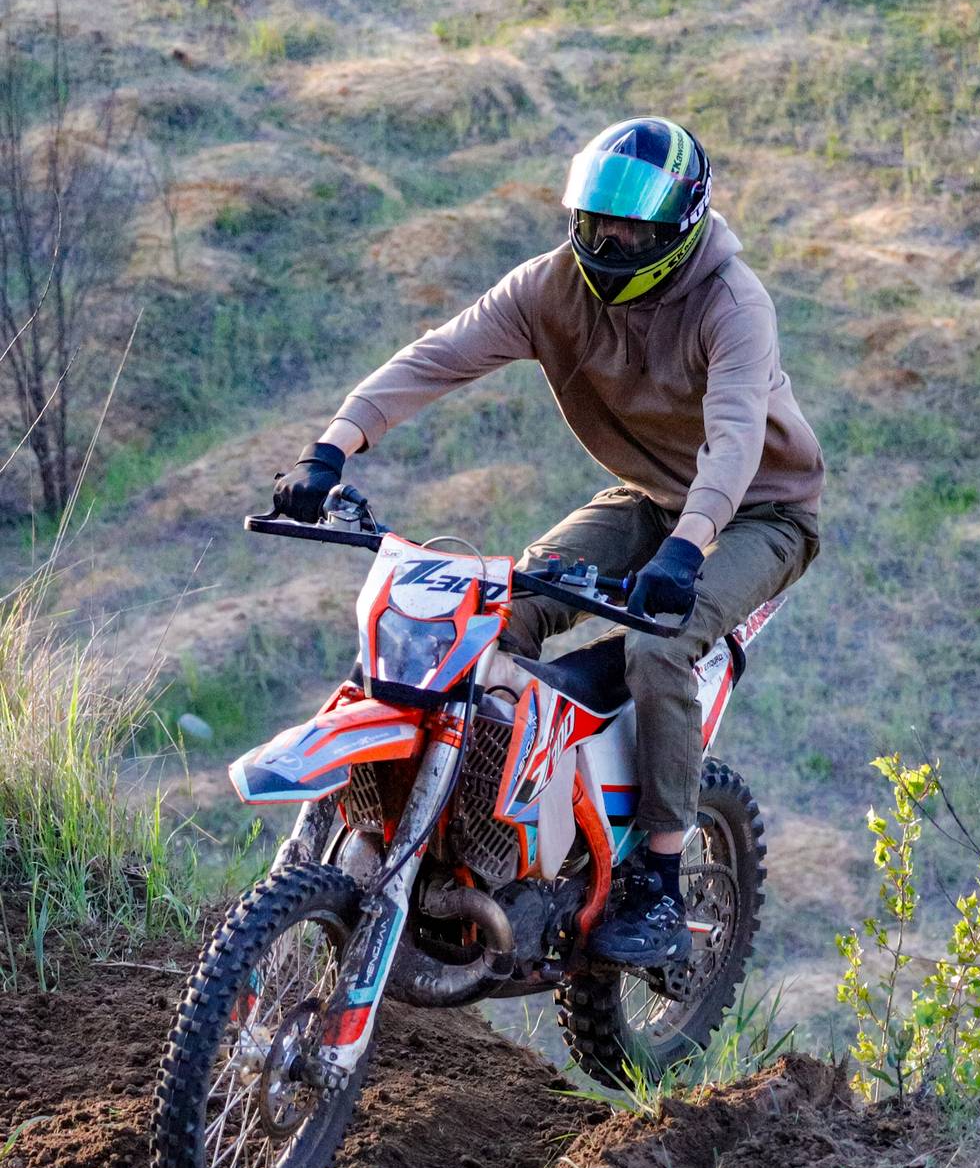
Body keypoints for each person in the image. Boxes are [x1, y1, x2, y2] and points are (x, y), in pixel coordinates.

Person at [272, 116, 824, 973]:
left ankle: (658, 879)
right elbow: (438, 356)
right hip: (649, 495)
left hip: (758, 510)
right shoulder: (552, 287)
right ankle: (482, 817)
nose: (610, 243)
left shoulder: (732, 304)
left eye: (632, 230)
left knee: (659, 643)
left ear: (680, 229)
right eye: (597, 224)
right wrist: (331, 447)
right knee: (493, 610)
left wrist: (688, 549)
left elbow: (735, 440)